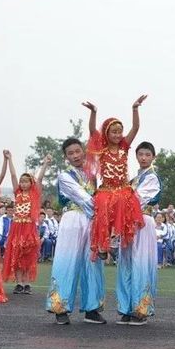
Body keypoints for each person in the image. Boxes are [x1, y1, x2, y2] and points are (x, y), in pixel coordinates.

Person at [46, 137, 106, 325]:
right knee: (67, 262)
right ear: (66, 157)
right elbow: (84, 199)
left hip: (92, 221)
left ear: (83, 152)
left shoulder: (94, 174)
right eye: (70, 153)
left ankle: (92, 309)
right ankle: (60, 308)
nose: (75, 155)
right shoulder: (65, 177)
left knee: (93, 262)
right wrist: (103, 211)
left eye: (77, 151)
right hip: (73, 219)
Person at [82, 97, 147, 260]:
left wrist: (135, 109)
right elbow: (91, 130)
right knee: (102, 204)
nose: (118, 135)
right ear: (107, 133)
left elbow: (136, 127)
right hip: (106, 188)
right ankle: (101, 244)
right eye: (114, 132)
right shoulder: (102, 149)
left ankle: (115, 239)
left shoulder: (124, 147)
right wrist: (94, 112)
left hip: (122, 188)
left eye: (120, 132)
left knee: (121, 201)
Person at [116, 141, 160, 326]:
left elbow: (136, 200)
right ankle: (126, 308)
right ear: (136, 156)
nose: (143, 158)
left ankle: (140, 309)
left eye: (147, 155)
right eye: (140, 154)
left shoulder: (152, 178)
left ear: (152, 157)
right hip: (128, 223)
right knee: (125, 263)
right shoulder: (133, 179)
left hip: (142, 221)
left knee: (141, 264)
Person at [2, 151, 49, 295]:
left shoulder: (35, 194)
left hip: (29, 228)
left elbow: (40, 177)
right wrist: (9, 159)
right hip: (17, 227)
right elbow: (13, 176)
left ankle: (27, 282)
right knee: (16, 254)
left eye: (26, 181)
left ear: (31, 183)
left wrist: (46, 163)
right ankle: (19, 283)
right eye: (21, 182)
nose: (22, 183)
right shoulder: (17, 193)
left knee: (28, 256)